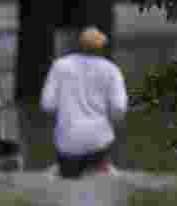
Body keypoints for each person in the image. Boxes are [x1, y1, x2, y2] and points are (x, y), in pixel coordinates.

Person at [39, 26, 128, 179]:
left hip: (67, 144)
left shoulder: (60, 66)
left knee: (66, 183)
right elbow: (119, 108)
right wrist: (113, 122)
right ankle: (104, 170)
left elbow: (47, 105)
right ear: (102, 48)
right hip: (99, 141)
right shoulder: (111, 70)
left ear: (79, 45)